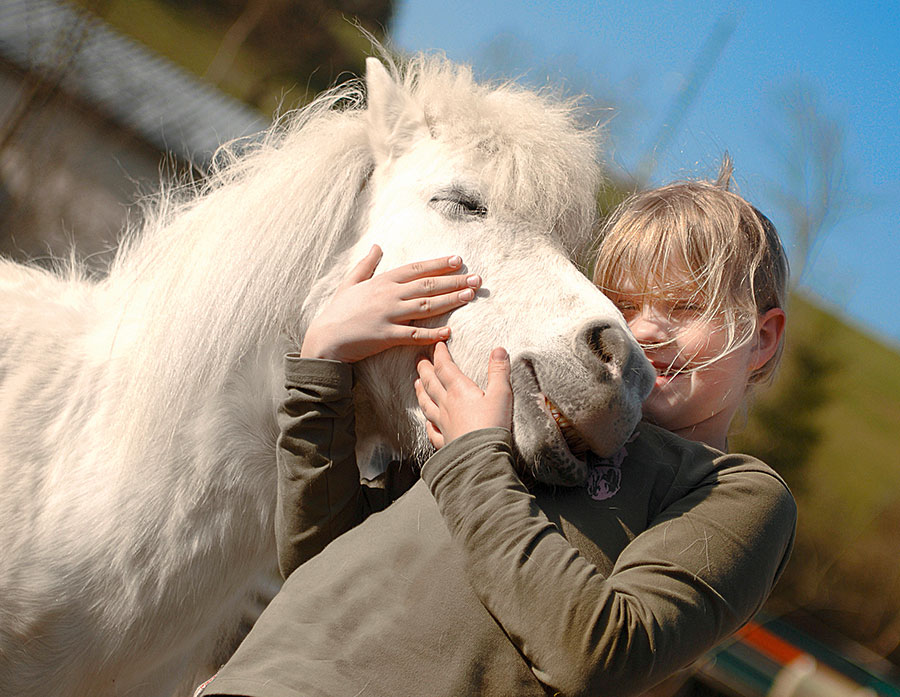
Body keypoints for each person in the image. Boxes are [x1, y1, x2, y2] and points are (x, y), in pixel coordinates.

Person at [197, 162, 797, 697]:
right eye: (623, 304)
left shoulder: (734, 493)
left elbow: (598, 655)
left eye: (686, 307)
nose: (642, 332)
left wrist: (472, 460)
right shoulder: (517, 417)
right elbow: (321, 563)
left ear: (763, 339)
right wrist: (323, 364)